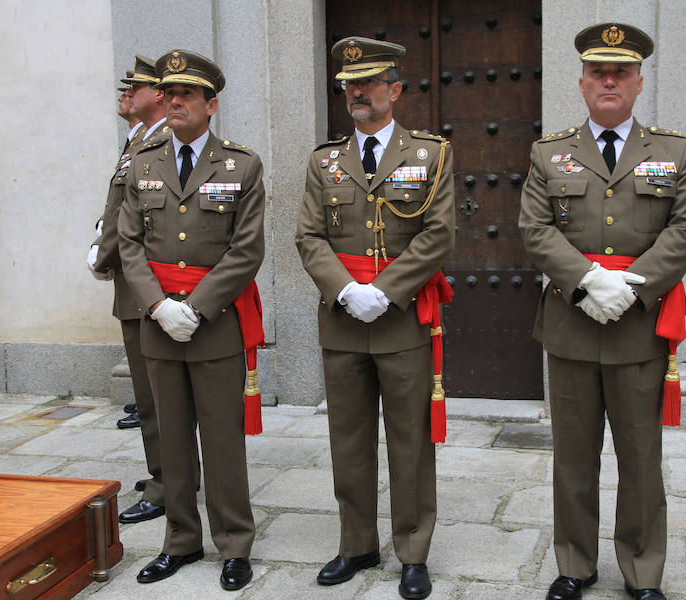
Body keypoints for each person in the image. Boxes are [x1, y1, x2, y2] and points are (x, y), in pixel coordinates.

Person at [518, 23, 686, 600]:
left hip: (638, 326)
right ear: (580, 82)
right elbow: (534, 227)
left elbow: (685, 228)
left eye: (620, 71)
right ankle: (575, 565)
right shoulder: (550, 153)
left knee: (641, 459)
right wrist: (589, 281)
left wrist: (631, 286)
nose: (608, 80)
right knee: (573, 457)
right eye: (598, 71)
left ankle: (643, 572)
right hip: (573, 323)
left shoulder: (673, 151)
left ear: (639, 82)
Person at [295, 36, 455, 600]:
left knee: (409, 440)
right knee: (349, 437)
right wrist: (346, 292)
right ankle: (356, 542)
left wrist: (384, 292)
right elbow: (309, 236)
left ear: (395, 90)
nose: (357, 93)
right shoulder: (325, 160)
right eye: (349, 85)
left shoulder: (430, 154)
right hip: (342, 320)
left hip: (401, 317)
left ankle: (412, 550)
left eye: (367, 84)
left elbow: (439, 234)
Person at [118, 49, 265, 591]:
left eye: (187, 95)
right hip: (158, 322)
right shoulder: (144, 161)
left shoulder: (242, 165)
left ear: (212, 104)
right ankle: (180, 540)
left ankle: (234, 544)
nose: (174, 101)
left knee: (223, 441)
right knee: (172, 439)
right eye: (169, 93)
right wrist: (159, 306)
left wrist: (196, 308)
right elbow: (128, 244)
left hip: (214, 323)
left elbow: (247, 250)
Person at [90, 55, 187, 527]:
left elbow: (132, 220)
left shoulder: (161, 141)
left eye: (137, 87)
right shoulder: (140, 141)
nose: (126, 94)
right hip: (134, 282)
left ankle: (168, 484)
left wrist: (102, 255)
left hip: (147, 283)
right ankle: (165, 474)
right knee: (150, 395)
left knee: (155, 396)